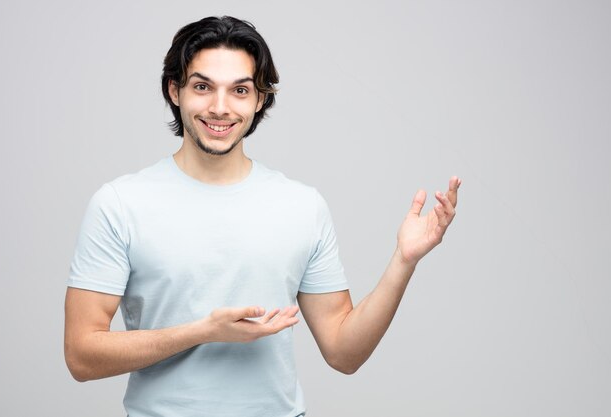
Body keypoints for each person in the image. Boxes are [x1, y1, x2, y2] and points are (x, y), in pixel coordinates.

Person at [64, 16, 461, 417]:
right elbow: (81, 355)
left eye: (240, 90)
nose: (220, 108)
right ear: (175, 91)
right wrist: (203, 332)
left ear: (260, 100)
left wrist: (403, 261)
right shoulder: (120, 204)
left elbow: (345, 353)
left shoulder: (302, 206)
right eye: (202, 87)